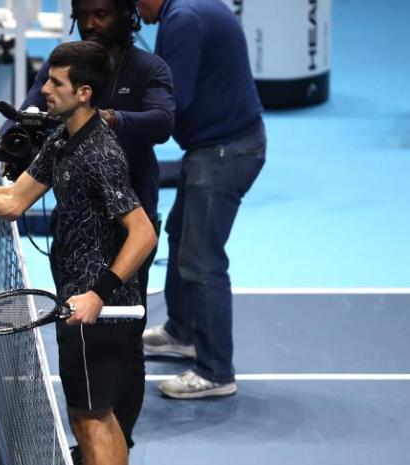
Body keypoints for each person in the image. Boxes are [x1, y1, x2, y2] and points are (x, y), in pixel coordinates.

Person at [0, 40, 156, 465]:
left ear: (83, 92)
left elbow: (143, 233)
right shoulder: (62, 140)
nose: (44, 88)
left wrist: (98, 294)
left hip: (96, 308)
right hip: (78, 301)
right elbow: (13, 200)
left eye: (55, 81)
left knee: (90, 420)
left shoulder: (100, 153)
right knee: (95, 417)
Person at [1, 0, 175, 451]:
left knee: (120, 356)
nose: (93, 23)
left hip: (126, 230)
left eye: (103, 14)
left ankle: (120, 440)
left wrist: (108, 119)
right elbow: (31, 115)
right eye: (85, 14)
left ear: (125, 15)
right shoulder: (68, 68)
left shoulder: (147, 70)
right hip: (78, 234)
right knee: (91, 408)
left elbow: (162, 123)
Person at [136, 0, 267, 399]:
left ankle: (214, 370)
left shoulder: (184, 20)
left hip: (225, 151)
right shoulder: (184, 12)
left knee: (202, 259)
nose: (133, 9)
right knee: (180, 233)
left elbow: (174, 102)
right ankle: (183, 331)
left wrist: (120, 120)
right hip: (217, 146)